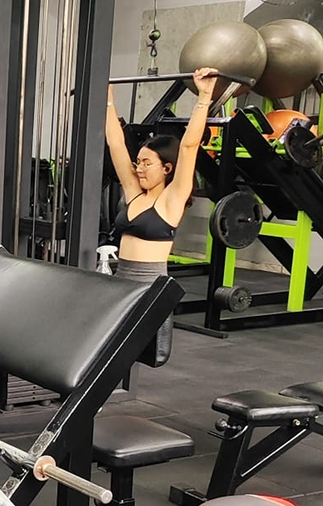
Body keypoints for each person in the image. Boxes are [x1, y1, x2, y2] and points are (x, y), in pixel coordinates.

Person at [105, 66, 220, 362]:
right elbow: (116, 143)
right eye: (138, 162)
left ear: (166, 168)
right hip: (120, 282)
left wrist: (204, 95)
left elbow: (189, 147)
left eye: (147, 163)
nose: (139, 168)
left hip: (149, 287)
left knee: (134, 355)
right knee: (107, 354)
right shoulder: (134, 192)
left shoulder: (172, 199)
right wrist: (107, 98)